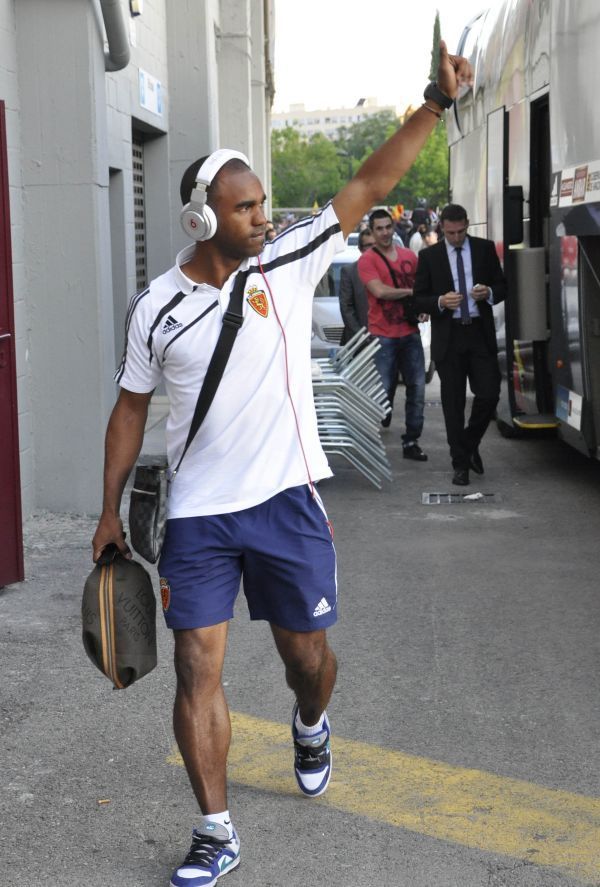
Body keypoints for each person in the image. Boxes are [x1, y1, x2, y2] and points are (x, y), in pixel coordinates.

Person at [92, 44, 471, 887]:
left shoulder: (289, 261)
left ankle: (311, 722)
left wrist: (432, 106)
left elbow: (371, 183)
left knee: (308, 660)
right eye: (245, 206)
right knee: (197, 663)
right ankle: (215, 829)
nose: (263, 216)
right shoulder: (155, 308)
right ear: (200, 218)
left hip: (285, 500)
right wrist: (109, 509)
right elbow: (128, 409)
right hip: (198, 511)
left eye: (264, 202)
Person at [413, 203, 506, 486]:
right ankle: (460, 464)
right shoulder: (429, 255)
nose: (456, 238)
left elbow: (502, 286)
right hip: (449, 335)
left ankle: (468, 442)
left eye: (461, 232)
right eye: (451, 233)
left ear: (468, 225)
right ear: (442, 228)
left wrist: (489, 292)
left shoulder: (484, 248)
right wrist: (440, 302)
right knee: (452, 405)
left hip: (479, 332)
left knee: (489, 394)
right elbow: (418, 299)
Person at [357, 207, 428, 459]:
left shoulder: (410, 256)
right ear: (372, 231)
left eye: (388, 227)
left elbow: (423, 287)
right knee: (384, 390)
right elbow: (380, 292)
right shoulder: (367, 260)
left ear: (394, 226)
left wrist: (424, 308)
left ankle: (411, 441)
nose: (385, 232)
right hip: (382, 334)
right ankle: (381, 420)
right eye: (379, 228)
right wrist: (412, 294)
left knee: (417, 388)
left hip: (410, 332)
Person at [339, 227, 375, 343]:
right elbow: (346, 308)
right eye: (369, 245)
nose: (373, 248)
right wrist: (362, 336)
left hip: (386, 341)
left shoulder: (390, 270)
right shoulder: (350, 272)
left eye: (376, 244)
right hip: (358, 341)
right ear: (360, 248)